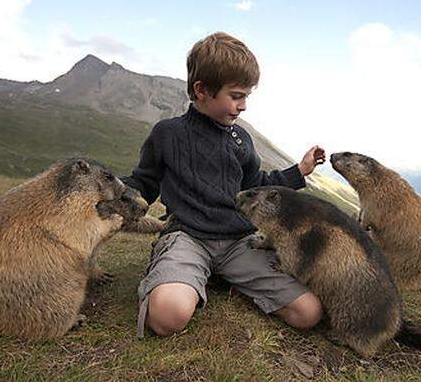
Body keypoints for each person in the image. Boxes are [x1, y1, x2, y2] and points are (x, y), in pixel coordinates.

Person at [121, 32, 327, 337]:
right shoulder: (167, 134)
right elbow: (144, 183)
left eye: (246, 96)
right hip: (187, 237)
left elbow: (257, 186)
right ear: (201, 90)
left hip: (239, 242)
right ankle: (180, 272)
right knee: (168, 317)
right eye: (236, 96)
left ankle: (220, 275)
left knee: (308, 313)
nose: (243, 106)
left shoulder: (241, 138)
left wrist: (300, 171)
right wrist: (109, 192)